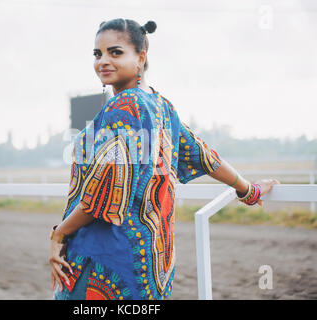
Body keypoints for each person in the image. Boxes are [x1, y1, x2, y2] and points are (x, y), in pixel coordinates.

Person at [49, 18, 280, 300]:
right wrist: (248, 189)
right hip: (149, 268)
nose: (103, 61)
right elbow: (204, 156)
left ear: (141, 57)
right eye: (97, 54)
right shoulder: (160, 106)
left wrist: (59, 234)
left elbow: (101, 197)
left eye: (115, 52)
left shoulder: (124, 106)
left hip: (103, 260)